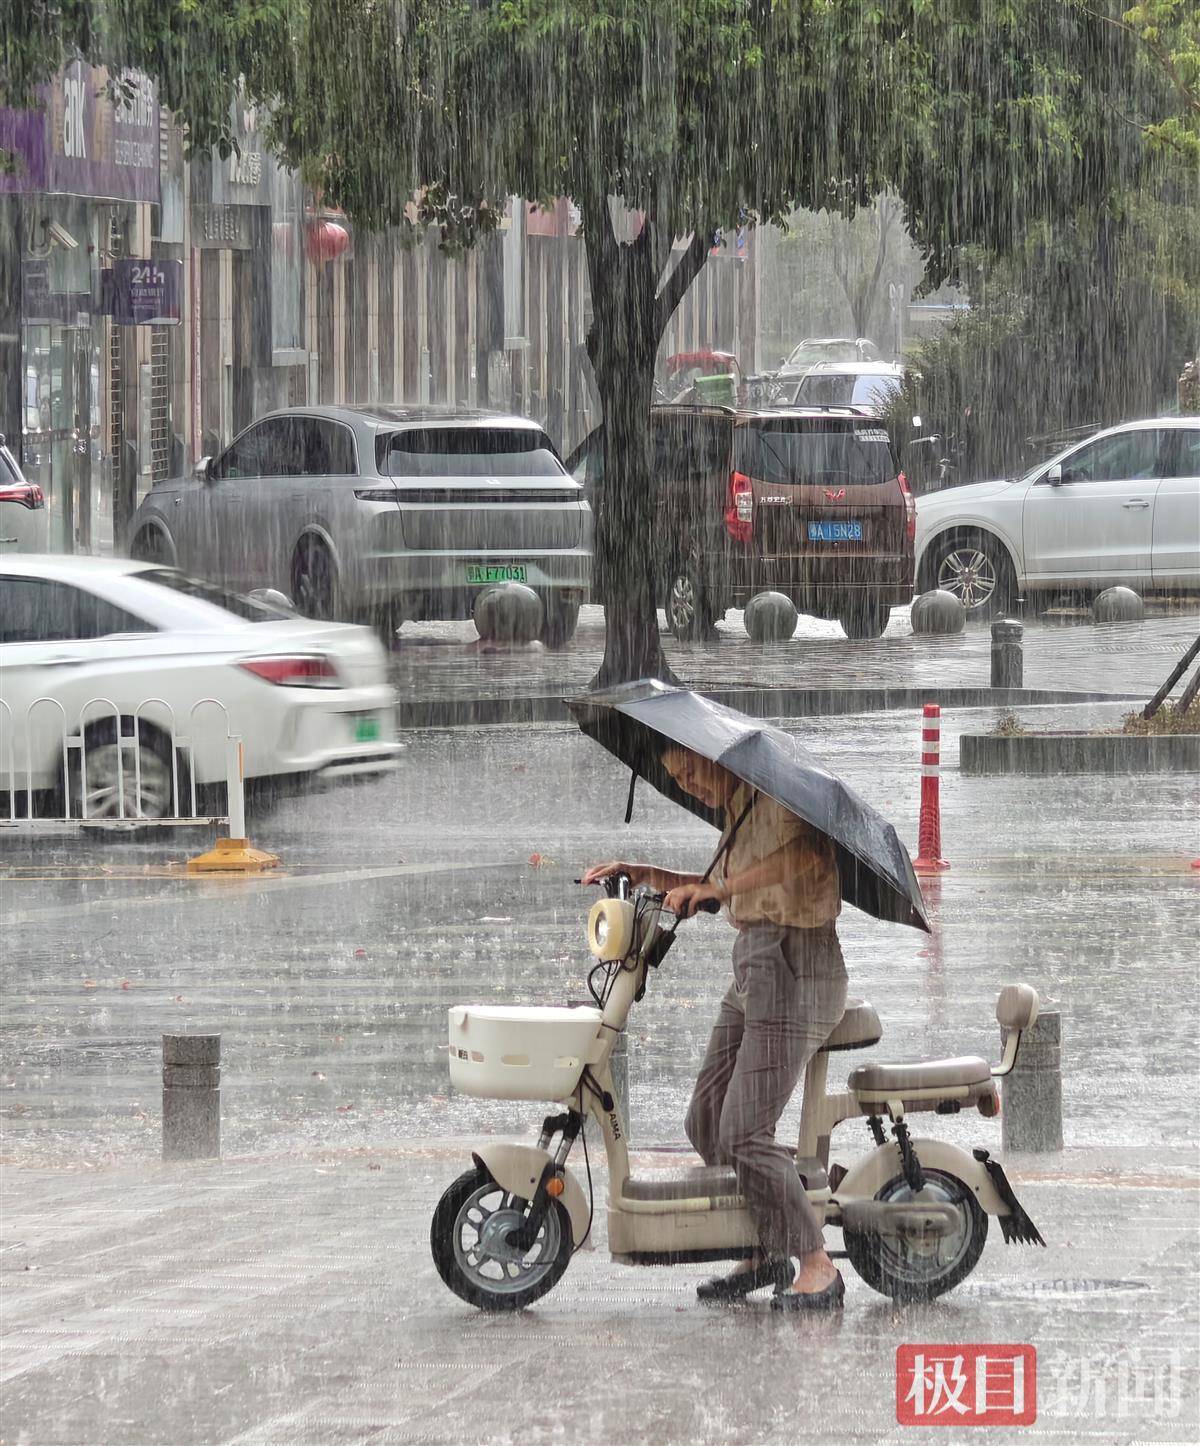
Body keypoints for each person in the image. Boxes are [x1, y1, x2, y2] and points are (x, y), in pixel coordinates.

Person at [582, 744, 848, 1310]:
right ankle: (762, 1246)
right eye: (677, 777)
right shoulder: (739, 808)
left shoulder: (777, 800)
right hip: (756, 962)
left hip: (797, 965)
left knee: (746, 1134)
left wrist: (722, 889)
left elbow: (810, 861)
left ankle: (816, 1264)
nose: (689, 786)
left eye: (692, 772)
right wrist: (645, 871)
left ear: (719, 760)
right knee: (706, 1120)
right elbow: (716, 883)